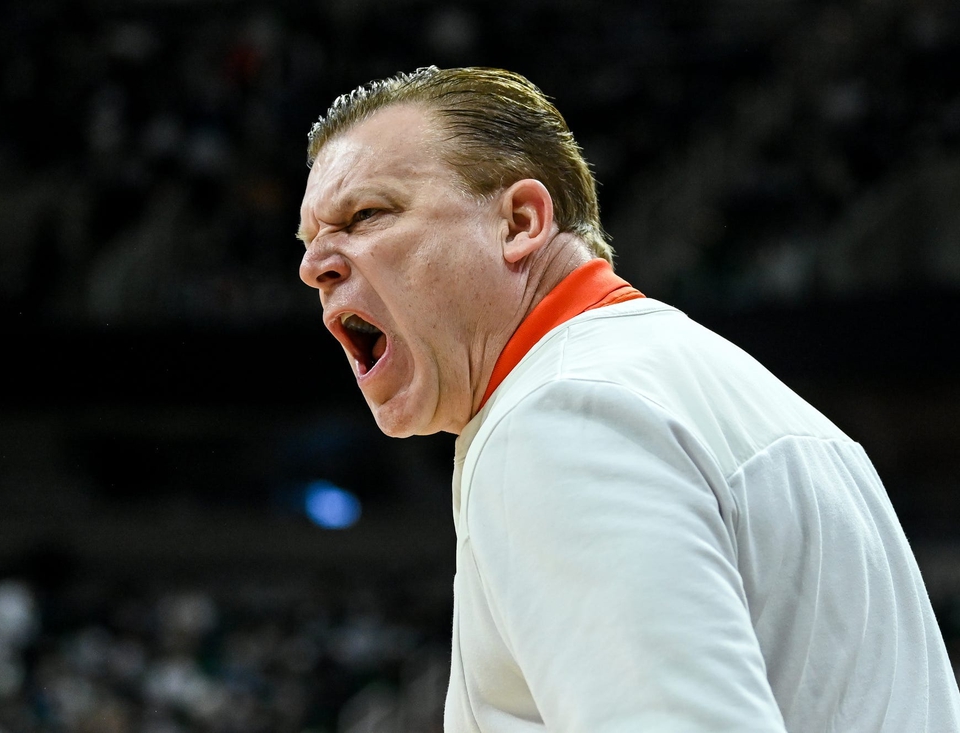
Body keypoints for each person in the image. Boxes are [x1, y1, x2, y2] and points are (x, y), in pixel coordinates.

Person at [296, 66, 960, 731]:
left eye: (364, 214)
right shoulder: (714, 386)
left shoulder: (560, 416)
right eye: (309, 241)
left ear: (521, 221)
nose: (314, 265)